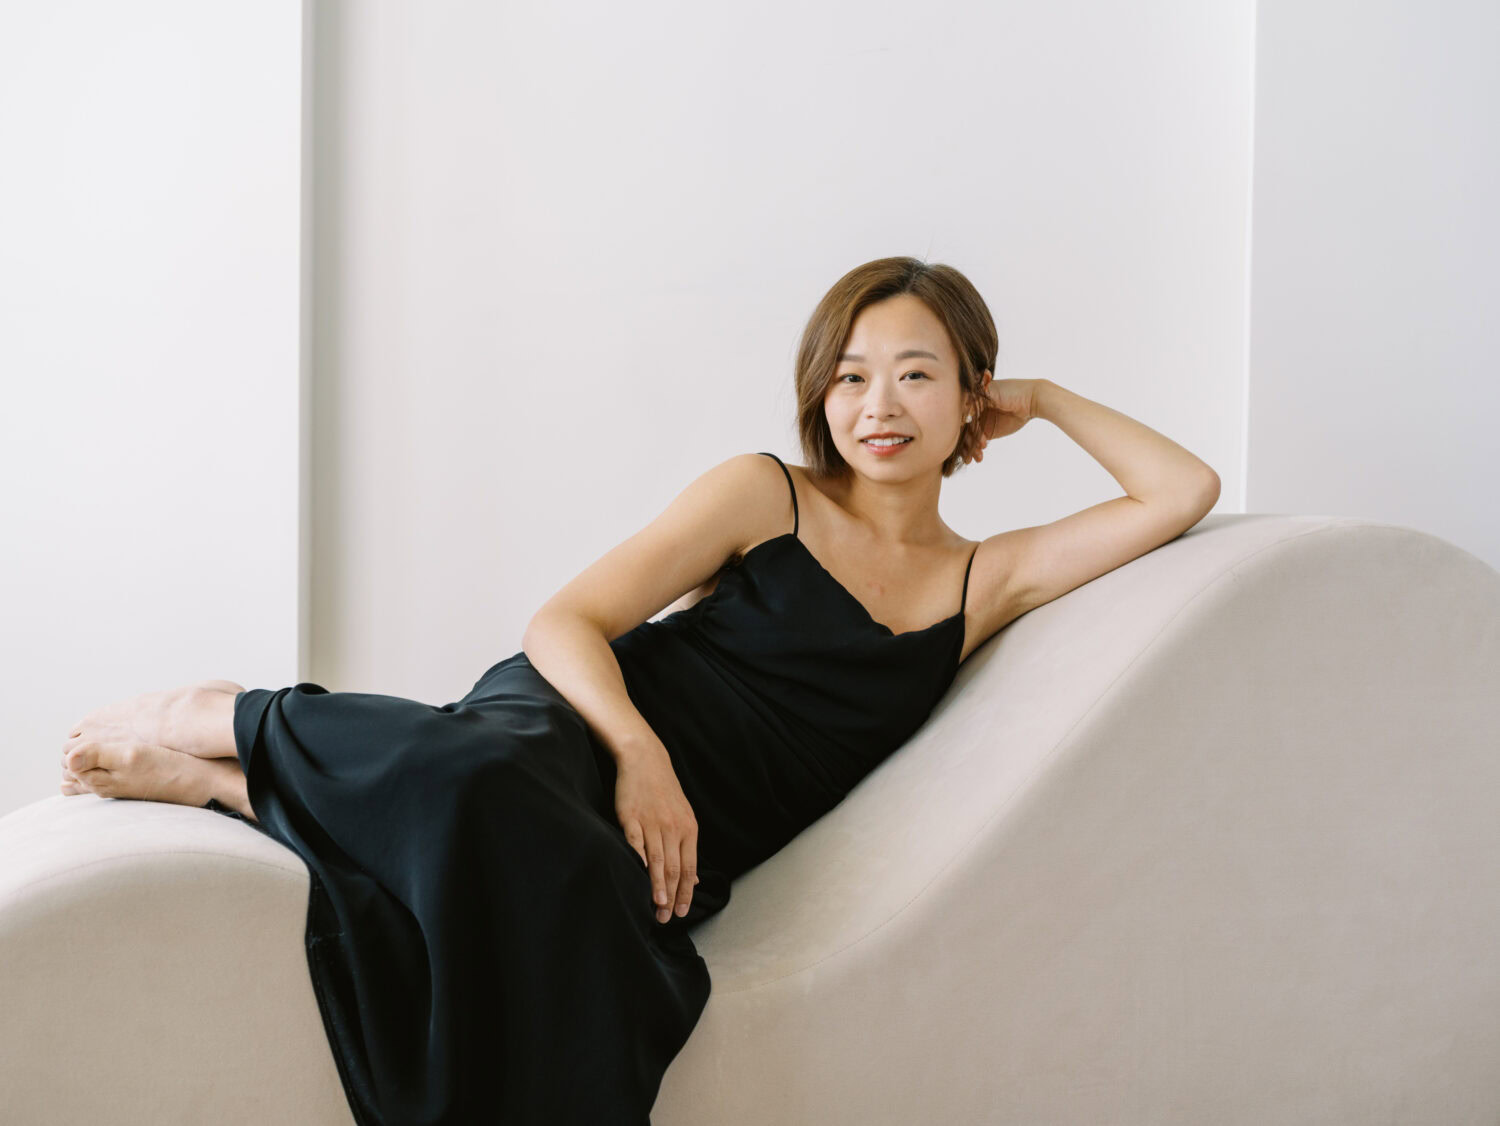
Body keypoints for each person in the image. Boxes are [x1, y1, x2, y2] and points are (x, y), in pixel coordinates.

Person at [56, 256, 1219, 1124]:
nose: (879, 406)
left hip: (668, 847)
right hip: (578, 724)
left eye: (918, 375)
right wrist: (640, 755)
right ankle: (232, 720)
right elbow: (565, 619)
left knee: (575, 934)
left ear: (971, 398)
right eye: (853, 376)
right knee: (486, 779)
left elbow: (1181, 489)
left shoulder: (982, 581)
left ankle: (226, 789)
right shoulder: (768, 494)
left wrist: (1053, 395)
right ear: (819, 394)